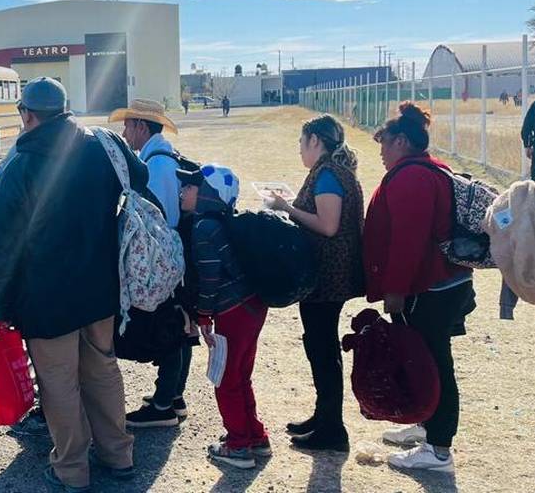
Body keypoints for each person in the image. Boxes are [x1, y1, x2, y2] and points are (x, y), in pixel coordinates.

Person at [0, 77, 142, 490]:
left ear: (28, 115)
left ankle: (72, 469)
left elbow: (3, 246)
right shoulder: (103, 145)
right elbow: (139, 177)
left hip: (46, 296)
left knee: (59, 382)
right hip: (100, 286)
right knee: (102, 369)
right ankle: (119, 454)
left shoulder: (21, 164)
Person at [364, 102, 473, 473]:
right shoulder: (425, 170)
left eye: (385, 142)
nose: (380, 149)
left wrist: (395, 290)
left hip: (427, 290)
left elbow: (408, 242)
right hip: (436, 285)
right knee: (421, 359)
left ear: (403, 141)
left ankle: (439, 450)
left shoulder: (413, 178)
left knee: (434, 363)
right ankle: (427, 422)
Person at [266, 115, 365, 452]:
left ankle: (332, 430)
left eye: (301, 142)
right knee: (320, 347)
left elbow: (328, 225)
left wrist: (286, 208)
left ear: (315, 141)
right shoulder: (331, 171)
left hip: (328, 278)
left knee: (323, 351)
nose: (299, 149)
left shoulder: (327, 174)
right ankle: (324, 418)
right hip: (328, 278)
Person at [111, 100, 198, 430]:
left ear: (141, 127)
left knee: (170, 328)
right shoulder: (162, 158)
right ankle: (172, 395)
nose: (124, 132)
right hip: (173, 258)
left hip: (165, 260)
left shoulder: (156, 166)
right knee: (175, 325)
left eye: (128, 126)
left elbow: (161, 221)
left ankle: (165, 403)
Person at [178, 163, 270, 470]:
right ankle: (256, 436)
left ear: (207, 194)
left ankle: (238, 446)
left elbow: (210, 278)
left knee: (226, 379)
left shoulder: (203, 228)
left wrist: (203, 316)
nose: (183, 191)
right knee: (241, 373)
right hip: (253, 306)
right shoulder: (223, 220)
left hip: (232, 312)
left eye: (190, 187)